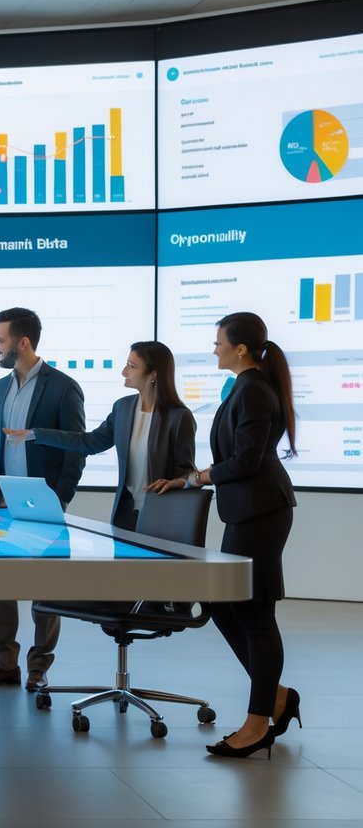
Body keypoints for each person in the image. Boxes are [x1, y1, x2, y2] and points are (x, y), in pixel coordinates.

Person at [148, 312, 298, 759]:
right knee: (223, 604)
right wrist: (190, 479)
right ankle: (275, 696)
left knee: (254, 613)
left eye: (219, 343)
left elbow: (247, 461)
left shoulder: (253, 390)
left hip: (262, 511)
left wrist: (196, 478)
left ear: (241, 349)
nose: (214, 349)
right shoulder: (244, 388)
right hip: (246, 511)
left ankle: (258, 724)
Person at [0, 307, 85, 692]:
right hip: (0, 503)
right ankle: (4, 663)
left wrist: (62, 497)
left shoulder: (63, 387)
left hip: (44, 503)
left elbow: (75, 450)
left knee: (44, 586)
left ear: (22, 343)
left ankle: (38, 666)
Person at [3, 341, 195, 531]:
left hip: (163, 516)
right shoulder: (123, 408)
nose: (124, 371)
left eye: (132, 366)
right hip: (125, 515)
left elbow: (185, 473)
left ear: (153, 374)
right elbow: (90, 442)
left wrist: (182, 481)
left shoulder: (179, 418)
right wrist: (36, 434)